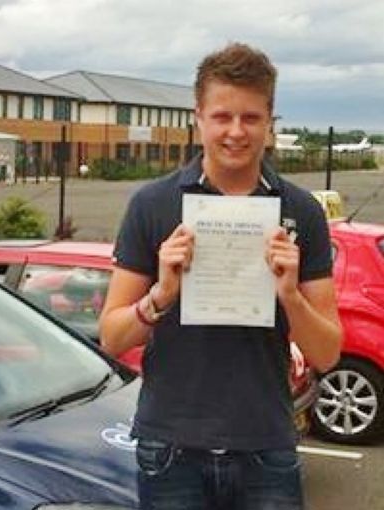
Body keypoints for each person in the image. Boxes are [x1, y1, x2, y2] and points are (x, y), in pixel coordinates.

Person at [98, 43, 342, 510]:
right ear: (199, 118)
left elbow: (327, 353)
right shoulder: (151, 205)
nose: (235, 131)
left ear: (270, 122)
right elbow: (111, 336)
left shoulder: (301, 212)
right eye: (222, 116)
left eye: (251, 118)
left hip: (266, 447)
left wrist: (290, 295)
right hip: (170, 448)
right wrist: (161, 295)